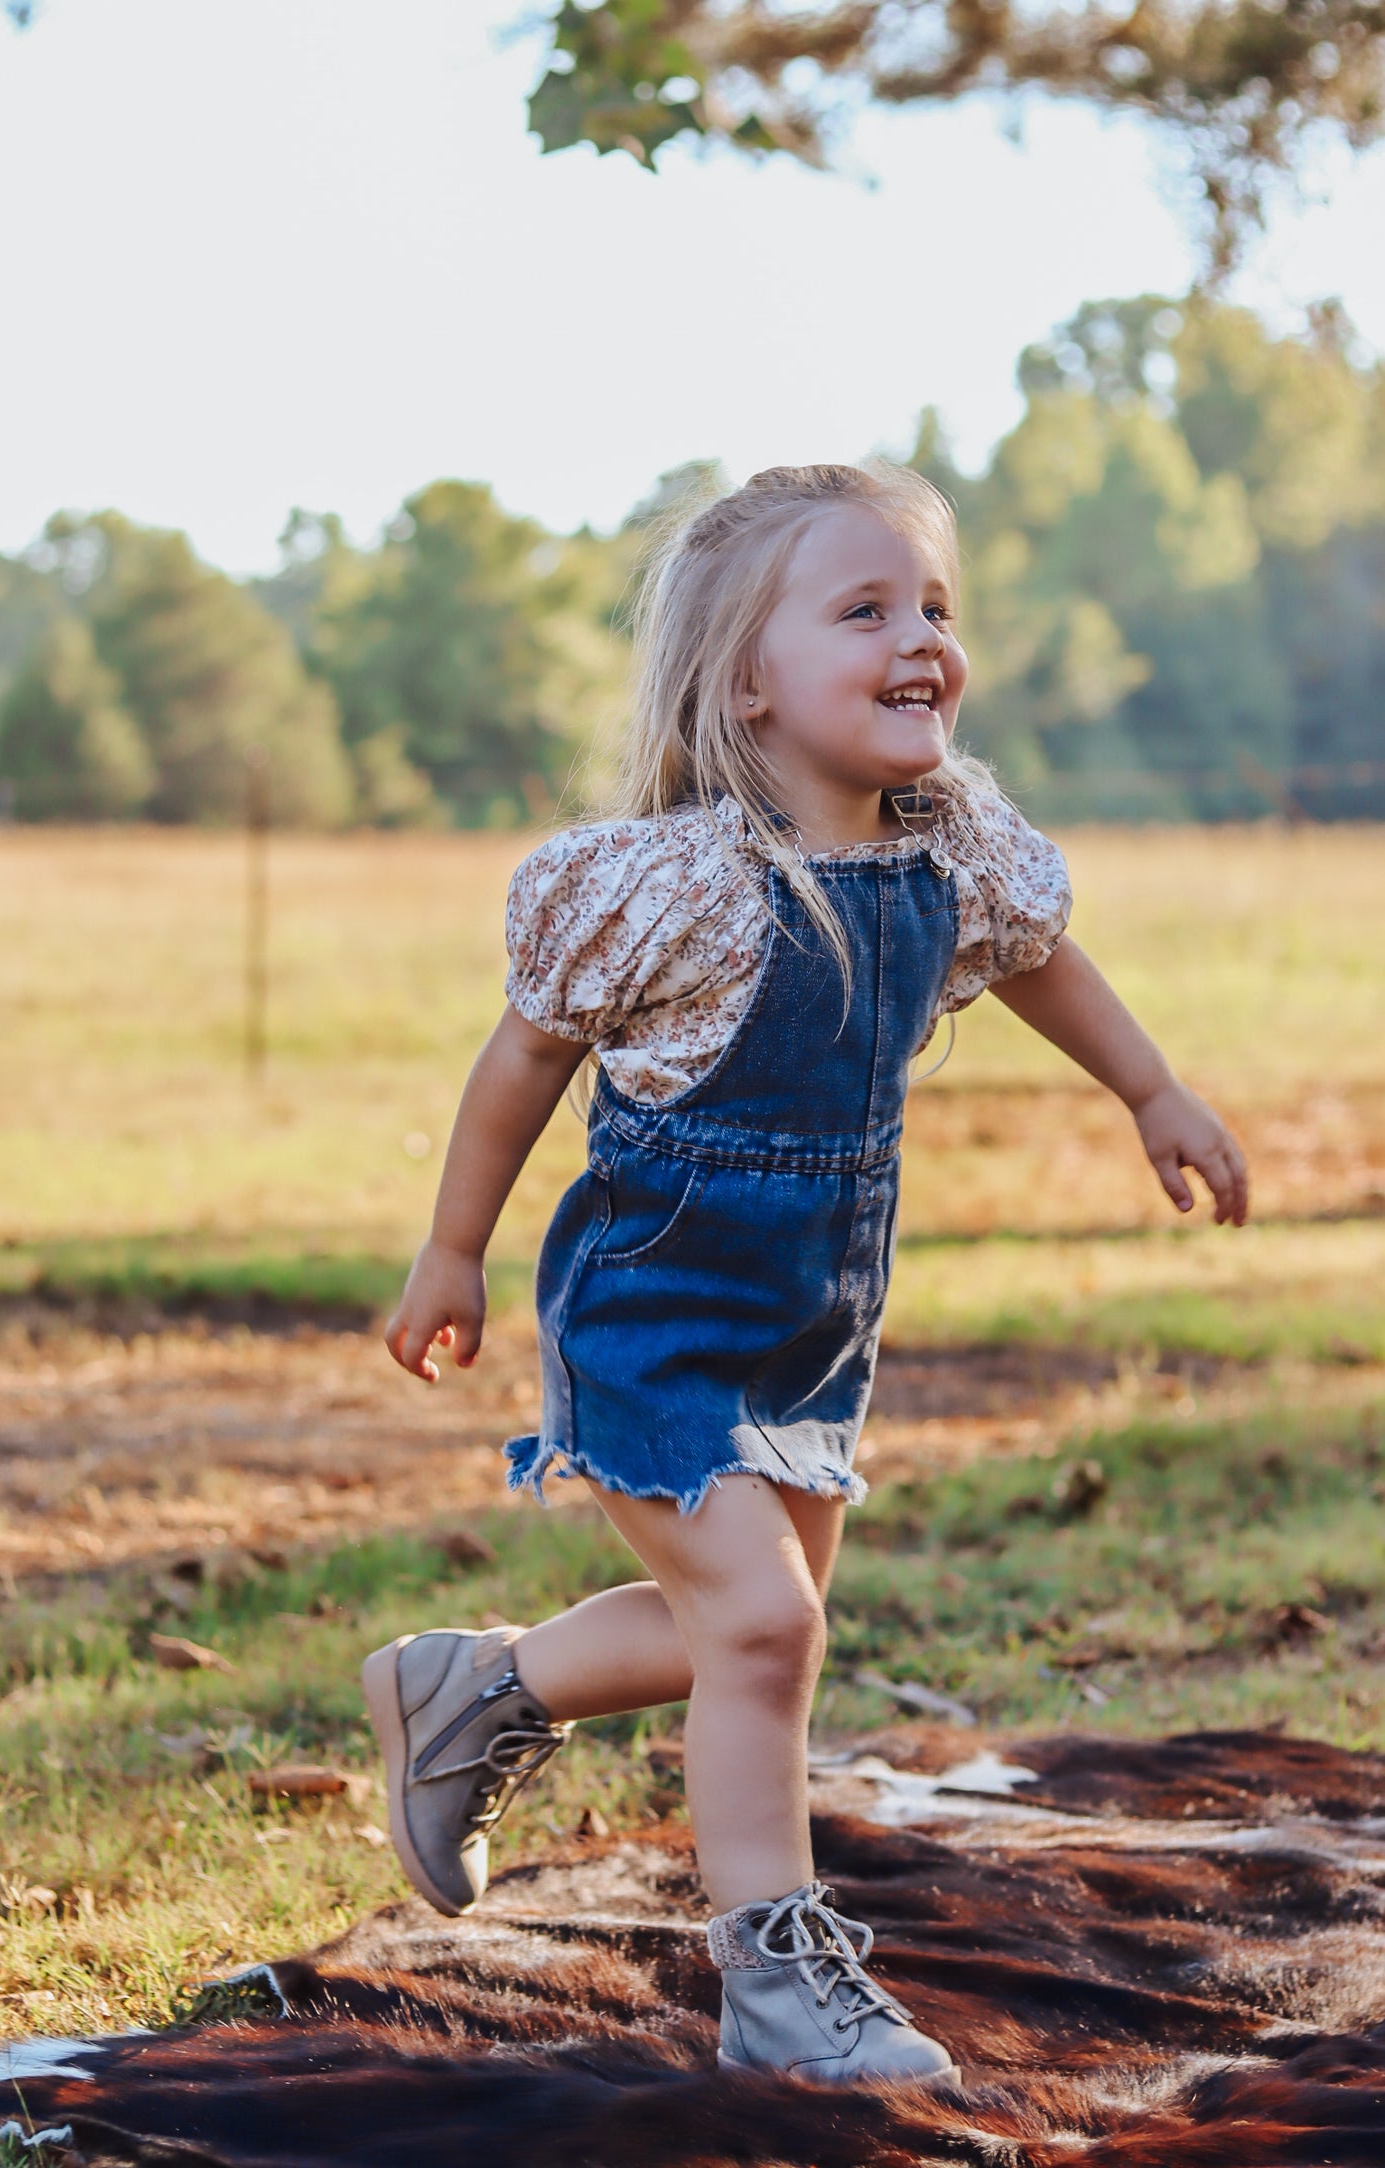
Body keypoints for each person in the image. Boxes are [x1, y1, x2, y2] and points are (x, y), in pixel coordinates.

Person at [362, 463, 1248, 2086]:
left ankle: (476, 1689)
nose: (920, 641)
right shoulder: (669, 882)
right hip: (654, 1317)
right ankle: (775, 1979)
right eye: (865, 610)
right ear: (746, 681)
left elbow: (1041, 959)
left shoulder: (949, 849)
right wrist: (450, 1249)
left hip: (812, 1324)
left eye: (934, 609)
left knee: (754, 1631)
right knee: (761, 1629)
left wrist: (1150, 1089)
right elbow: (518, 1069)